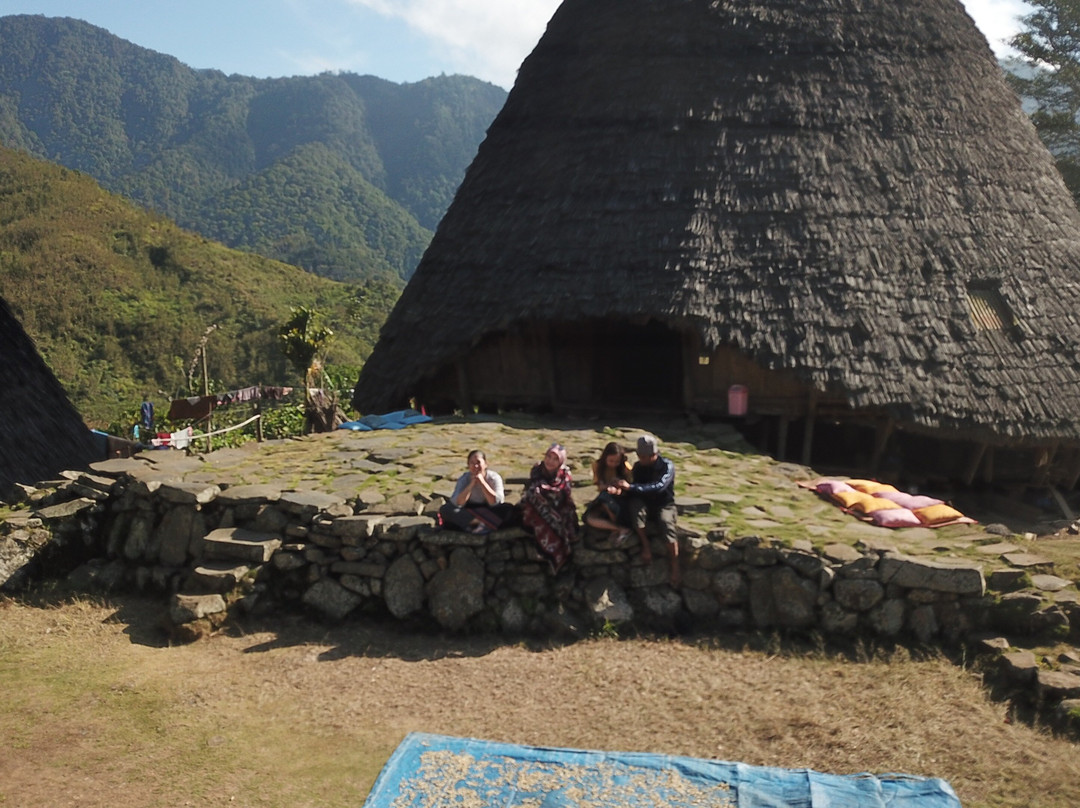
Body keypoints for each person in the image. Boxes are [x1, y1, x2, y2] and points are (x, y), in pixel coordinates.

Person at [616, 434, 680, 587]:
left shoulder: (667, 466)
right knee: (635, 510)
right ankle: (645, 546)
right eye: (640, 456)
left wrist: (631, 487)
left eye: (646, 457)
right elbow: (636, 489)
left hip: (664, 503)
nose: (642, 459)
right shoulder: (638, 467)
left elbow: (659, 487)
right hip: (645, 502)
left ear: (655, 455)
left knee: (666, 523)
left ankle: (675, 565)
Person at [521, 443, 578, 573]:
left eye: (555, 459)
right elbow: (532, 490)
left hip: (560, 506)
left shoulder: (565, 474)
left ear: (561, 461)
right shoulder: (537, 469)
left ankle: (560, 554)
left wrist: (547, 495)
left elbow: (564, 495)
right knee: (532, 505)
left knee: (561, 519)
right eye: (548, 457)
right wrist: (542, 497)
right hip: (538, 507)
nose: (550, 461)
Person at [439, 450, 512, 533]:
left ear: (485, 464)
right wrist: (471, 485)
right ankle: (479, 525)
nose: (476, 466)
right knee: (446, 509)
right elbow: (458, 503)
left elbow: (496, 502)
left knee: (508, 508)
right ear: (468, 465)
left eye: (478, 462)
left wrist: (482, 483)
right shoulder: (464, 479)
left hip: (489, 510)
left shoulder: (494, 478)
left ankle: (475, 527)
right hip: (469, 511)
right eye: (472, 463)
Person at [583, 441, 633, 545]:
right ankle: (618, 528)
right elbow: (599, 485)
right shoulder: (597, 466)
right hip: (605, 496)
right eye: (611, 461)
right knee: (589, 517)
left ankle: (619, 526)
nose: (614, 464)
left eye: (617, 461)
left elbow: (630, 488)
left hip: (621, 501)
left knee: (605, 501)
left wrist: (619, 489)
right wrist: (607, 487)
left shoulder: (626, 468)